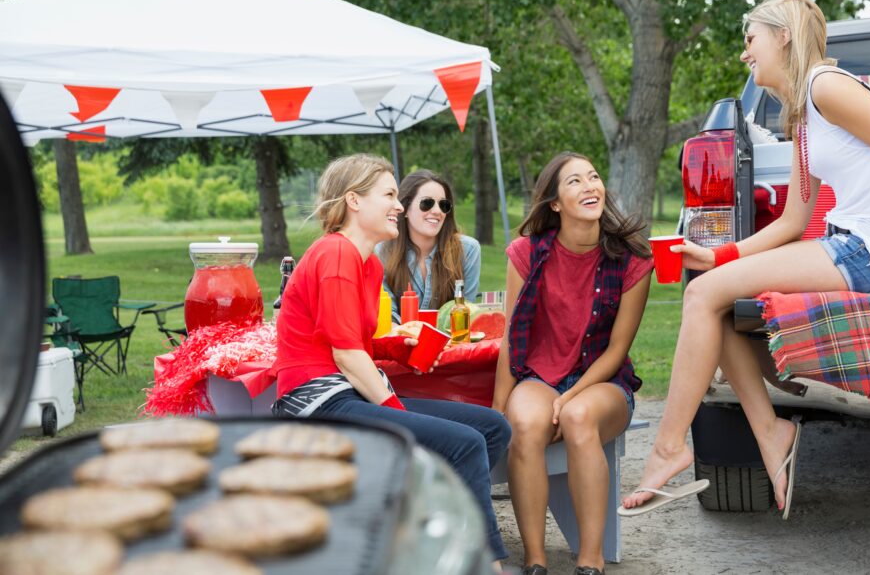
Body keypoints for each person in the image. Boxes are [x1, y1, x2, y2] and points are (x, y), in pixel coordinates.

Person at [621, 0, 870, 519]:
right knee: (719, 303)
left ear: (783, 36)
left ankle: (668, 449)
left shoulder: (827, 87)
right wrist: (719, 256)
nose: (744, 55)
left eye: (749, 39)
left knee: (703, 296)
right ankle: (773, 434)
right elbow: (792, 222)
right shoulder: (802, 113)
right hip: (846, 243)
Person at [270, 153, 511, 567]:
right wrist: (395, 410)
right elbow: (346, 356)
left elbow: (350, 340)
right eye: (390, 195)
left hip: (347, 393)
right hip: (317, 403)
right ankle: (484, 562)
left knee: (491, 427)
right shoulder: (335, 254)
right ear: (354, 201)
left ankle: (418, 532)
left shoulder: (365, 263)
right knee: (466, 442)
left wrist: (396, 346)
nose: (399, 206)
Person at [492, 152, 654, 575]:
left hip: (603, 382)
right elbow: (512, 337)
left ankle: (590, 561)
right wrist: (497, 408)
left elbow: (618, 349)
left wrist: (571, 397)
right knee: (524, 423)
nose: (590, 186)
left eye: (594, 177)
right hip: (540, 376)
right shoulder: (525, 253)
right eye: (575, 181)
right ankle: (535, 560)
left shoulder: (633, 258)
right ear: (555, 204)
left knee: (580, 417)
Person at [377, 170, 481, 320]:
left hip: (451, 341)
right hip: (399, 339)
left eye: (444, 205)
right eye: (427, 203)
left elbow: (465, 313)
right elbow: (389, 315)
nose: (437, 211)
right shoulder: (382, 250)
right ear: (405, 209)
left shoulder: (468, 250)